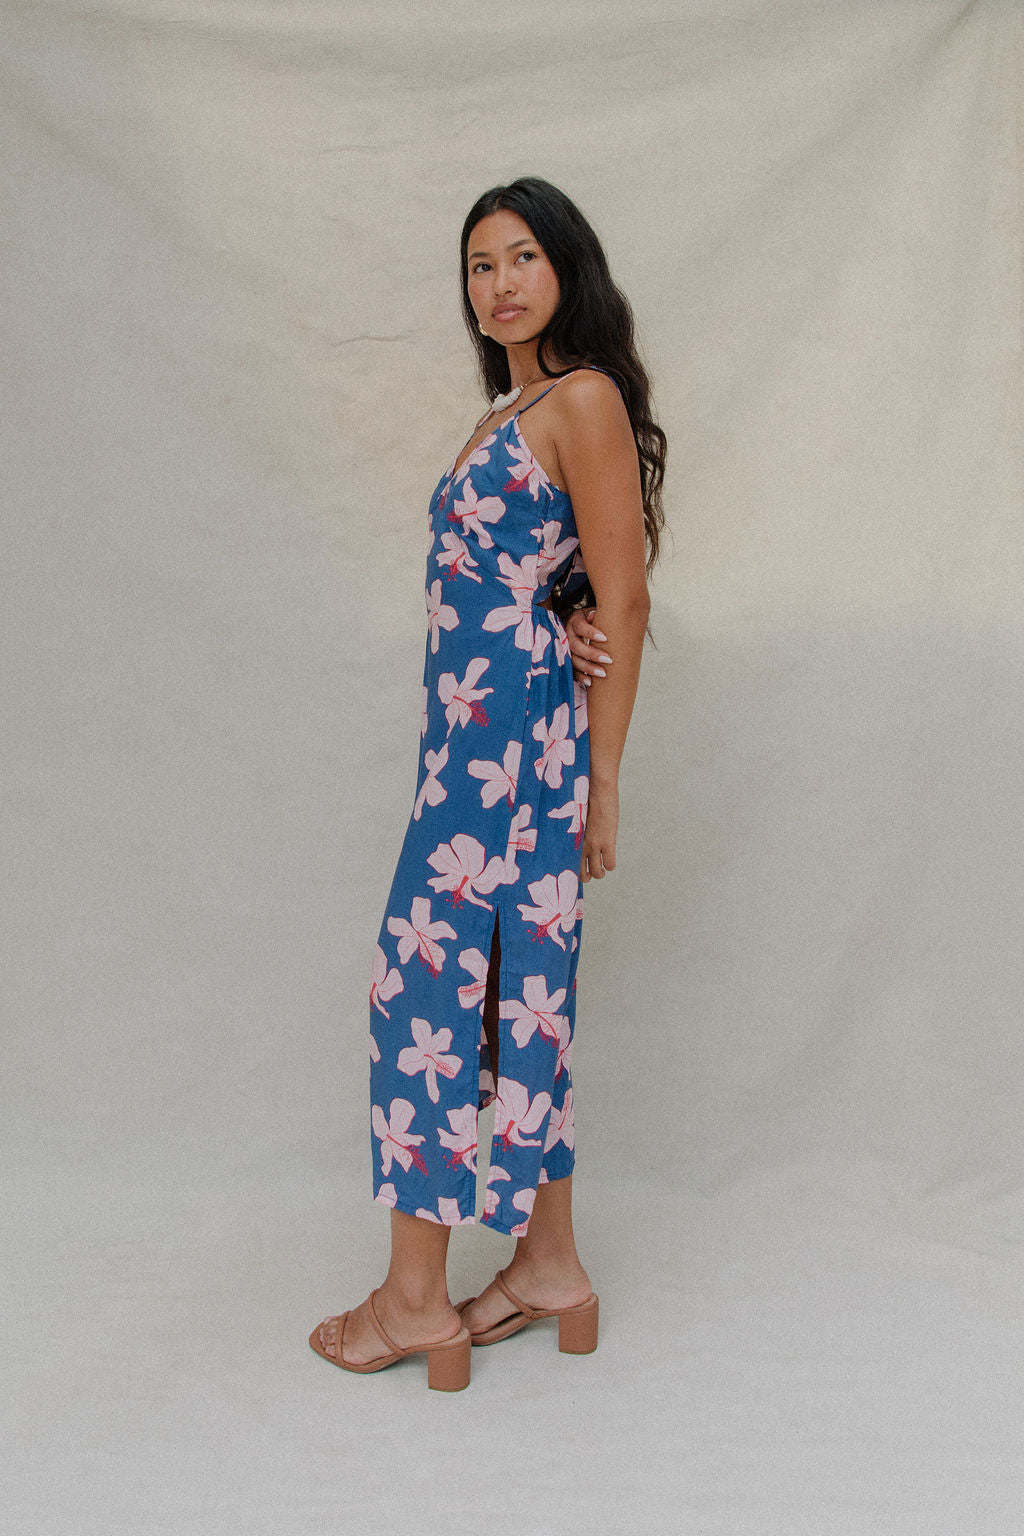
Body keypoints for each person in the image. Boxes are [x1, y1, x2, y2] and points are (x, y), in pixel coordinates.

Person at [309, 177, 666, 1390]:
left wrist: (602, 783)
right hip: (472, 745)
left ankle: (416, 1301)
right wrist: (548, 613)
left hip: (513, 758)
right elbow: (550, 580)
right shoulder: (512, 408)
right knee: (514, 995)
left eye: (522, 257)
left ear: (567, 266)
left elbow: (624, 599)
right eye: (478, 266)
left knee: (426, 993)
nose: (500, 282)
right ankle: (548, 1264)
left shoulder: (584, 399)